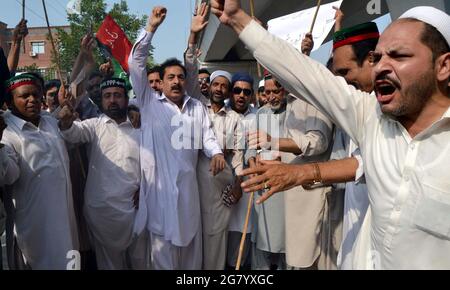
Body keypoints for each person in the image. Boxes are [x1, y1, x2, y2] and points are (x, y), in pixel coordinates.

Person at [212, 1, 450, 269]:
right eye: (378, 57)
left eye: (399, 56)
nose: (381, 67)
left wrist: (301, 172)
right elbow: (309, 77)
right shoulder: (372, 117)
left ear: (444, 66)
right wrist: (237, 19)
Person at [129, 6, 225, 270]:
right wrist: (150, 29)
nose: (176, 81)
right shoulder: (149, 104)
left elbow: (207, 136)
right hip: (159, 197)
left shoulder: (196, 107)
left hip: (188, 195)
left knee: (192, 260)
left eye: (181, 77)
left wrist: (216, 153)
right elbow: (135, 63)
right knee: (162, 257)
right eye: (170, 77)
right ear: (159, 81)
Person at [58, 77, 148, 270]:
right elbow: (73, 133)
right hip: (102, 212)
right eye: (107, 96)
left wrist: (146, 187)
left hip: (136, 208)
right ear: (102, 100)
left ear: (126, 99)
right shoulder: (94, 125)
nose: (112, 100)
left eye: (117, 95)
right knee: (109, 265)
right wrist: (65, 122)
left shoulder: (140, 126)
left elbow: (153, 164)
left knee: (141, 262)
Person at [0, 73, 78, 269]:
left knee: (70, 263)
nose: (32, 100)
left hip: (65, 219)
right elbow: (9, 175)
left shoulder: (48, 120)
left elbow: (71, 101)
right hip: (35, 225)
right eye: (24, 96)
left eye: (36, 95)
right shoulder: (6, 131)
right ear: (10, 102)